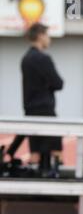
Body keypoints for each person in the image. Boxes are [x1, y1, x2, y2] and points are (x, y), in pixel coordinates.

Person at [6, 23, 64, 177]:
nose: (49, 39)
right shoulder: (43, 58)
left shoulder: (25, 58)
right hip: (45, 109)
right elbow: (58, 83)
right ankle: (51, 176)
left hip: (30, 109)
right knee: (55, 150)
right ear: (40, 35)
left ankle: (33, 177)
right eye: (47, 35)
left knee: (35, 152)